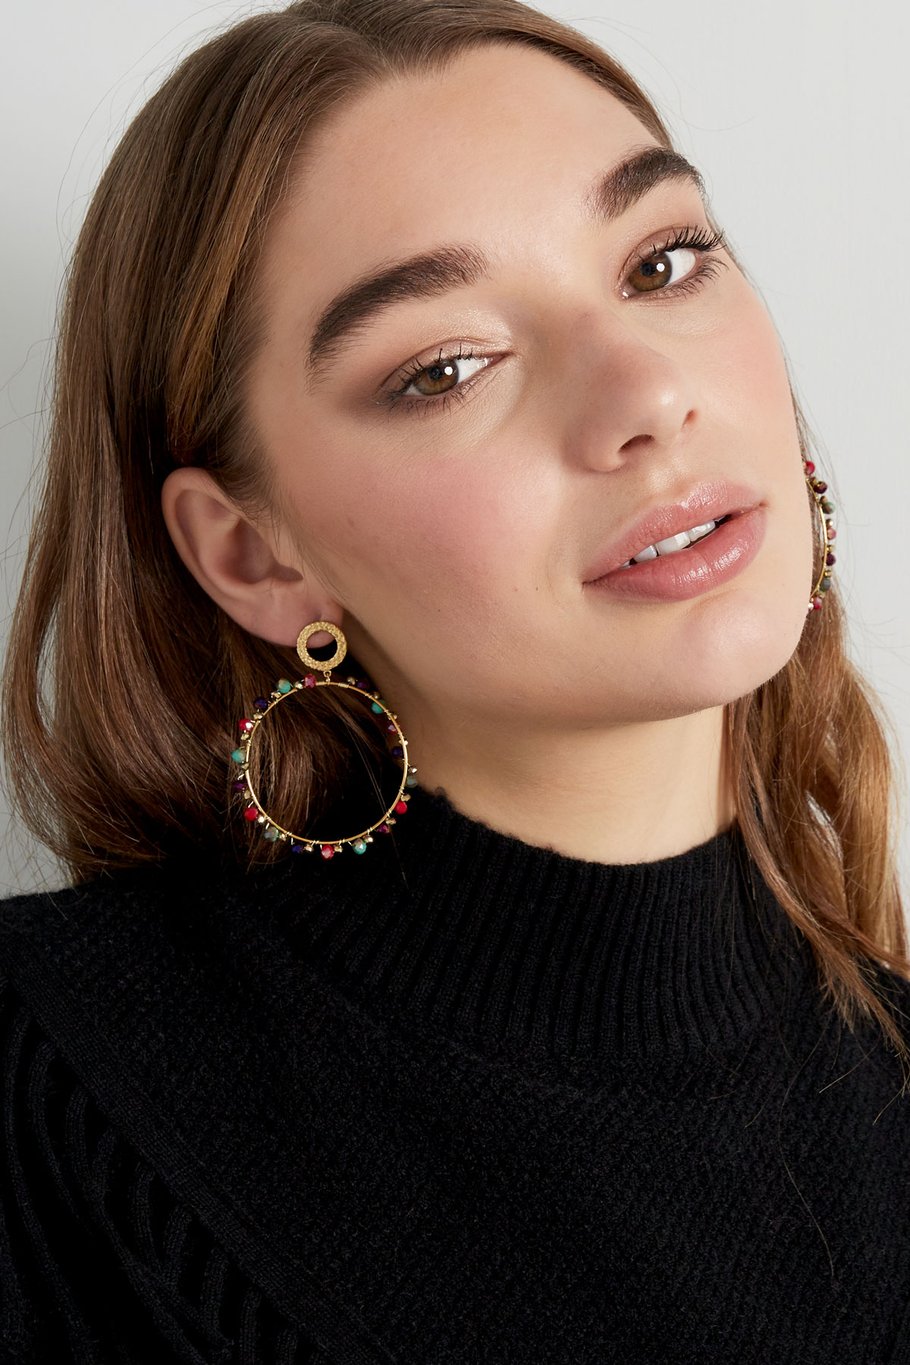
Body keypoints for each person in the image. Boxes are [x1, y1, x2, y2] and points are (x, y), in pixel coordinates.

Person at [2, 0, 909, 1359]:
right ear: (255, 555)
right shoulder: (53, 1087)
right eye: (447, 367)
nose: (645, 397)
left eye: (662, 263)